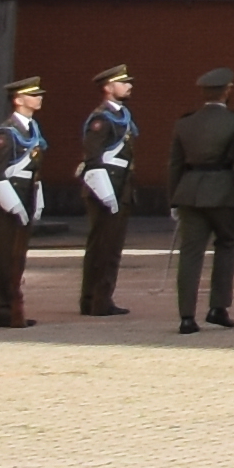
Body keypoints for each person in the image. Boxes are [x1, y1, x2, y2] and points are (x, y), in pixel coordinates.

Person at [170, 72, 234, 331]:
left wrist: (173, 199)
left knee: (190, 254)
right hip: (225, 191)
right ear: (227, 91)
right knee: (227, 246)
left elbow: (174, 164)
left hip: (190, 192)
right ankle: (218, 307)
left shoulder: (185, 123)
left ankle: (186, 316)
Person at [71, 70, 140, 315]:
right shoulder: (102, 119)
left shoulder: (121, 116)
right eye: (123, 82)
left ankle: (99, 297)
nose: (129, 85)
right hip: (106, 187)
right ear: (108, 88)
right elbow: (93, 157)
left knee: (110, 246)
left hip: (120, 185)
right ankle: (96, 299)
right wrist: (106, 192)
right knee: (102, 245)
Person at [0, 79, 46, 326]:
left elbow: (34, 170)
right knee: (4, 256)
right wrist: (13, 204)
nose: (39, 98)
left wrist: (36, 197)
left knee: (17, 257)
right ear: (18, 100)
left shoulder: (32, 130)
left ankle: (14, 307)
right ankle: (1, 309)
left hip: (26, 194)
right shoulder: (6, 133)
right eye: (33, 95)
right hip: (8, 201)